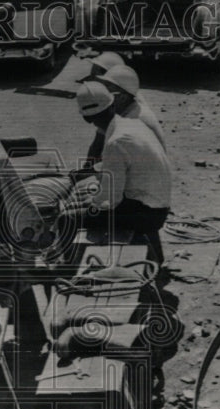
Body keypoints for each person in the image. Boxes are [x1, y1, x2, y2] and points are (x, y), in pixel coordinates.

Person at [73, 83, 172, 265]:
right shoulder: (131, 124)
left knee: (68, 218)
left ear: (87, 119)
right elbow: (124, 165)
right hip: (157, 204)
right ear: (113, 104)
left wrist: (88, 204)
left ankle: (63, 270)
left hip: (147, 214)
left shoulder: (115, 142)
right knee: (86, 204)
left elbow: (109, 201)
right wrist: (95, 175)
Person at [96, 63, 166, 151]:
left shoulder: (134, 119)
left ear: (123, 97)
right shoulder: (127, 108)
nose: (104, 93)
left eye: (108, 90)